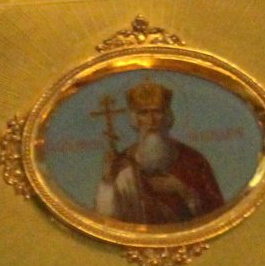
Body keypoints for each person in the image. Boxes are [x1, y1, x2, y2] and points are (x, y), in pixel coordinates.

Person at [94, 79, 226, 224]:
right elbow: (106, 219)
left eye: (157, 112)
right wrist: (107, 181)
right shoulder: (122, 163)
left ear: (167, 116)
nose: (152, 120)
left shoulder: (193, 160)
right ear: (135, 119)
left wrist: (181, 190)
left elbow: (218, 215)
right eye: (144, 113)